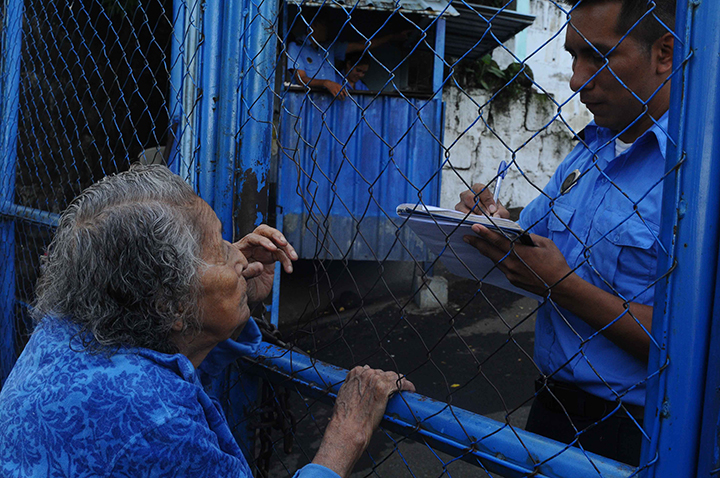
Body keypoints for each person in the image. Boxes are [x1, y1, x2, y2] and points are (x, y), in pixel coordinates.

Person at [0, 164, 415, 477]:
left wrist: (219, 292)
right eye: (219, 247)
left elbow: (169, 356)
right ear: (170, 303)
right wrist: (345, 438)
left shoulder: (60, 331)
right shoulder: (159, 424)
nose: (240, 253)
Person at [454, 0, 675, 465]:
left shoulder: (694, 174)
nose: (577, 80)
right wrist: (494, 218)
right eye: (573, 56)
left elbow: (693, 340)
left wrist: (563, 287)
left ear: (664, 54)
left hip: (643, 429)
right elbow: (531, 235)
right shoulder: (589, 151)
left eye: (599, 55)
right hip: (552, 411)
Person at [287, 13, 407, 99]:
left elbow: (362, 45)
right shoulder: (296, 47)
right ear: (312, 27)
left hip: (330, 102)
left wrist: (392, 37)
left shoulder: (329, 47)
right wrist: (326, 83)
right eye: (324, 26)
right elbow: (301, 78)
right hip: (305, 100)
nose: (327, 30)